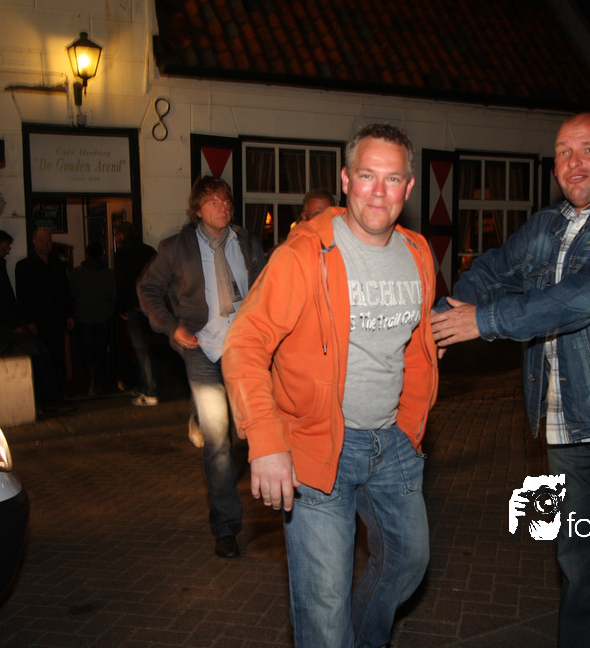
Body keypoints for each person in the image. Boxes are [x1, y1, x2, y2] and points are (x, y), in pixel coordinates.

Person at [431, 113, 590, 648]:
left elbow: (588, 294)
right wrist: (441, 320)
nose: (574, 162)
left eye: (588, 149)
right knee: (576, 552)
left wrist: (485, 321)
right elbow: (493, 270)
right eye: (563, 152)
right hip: (563, 414)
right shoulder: (545, 226)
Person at [222, 123, 439, 648]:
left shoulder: (418, 253)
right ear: (346, 179)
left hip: (392, 443)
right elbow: (245, 343)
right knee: (323, 606)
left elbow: (413, 345)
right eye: (367, 175)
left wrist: (411, 424)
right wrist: (266, 440)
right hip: (318, 448)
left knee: (409, 561)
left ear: (409, 187)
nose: (379, 192)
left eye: (392, 179)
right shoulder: (305, 254)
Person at [137, 176, 266, 559]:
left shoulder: (247, 243)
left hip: (244, 349)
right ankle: (226, 528)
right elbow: (147, 288)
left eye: (226, 201)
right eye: (213, 202)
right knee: (217, 441)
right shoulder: (177, 247)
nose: (222, 208)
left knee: (253, 430)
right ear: (197, 209)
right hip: (203, 349)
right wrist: (171, 325)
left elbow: (266, 288)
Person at [0, 229, 73, 413]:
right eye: (6, 246)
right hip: (9, 323)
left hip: (4, 323)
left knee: (6, 359)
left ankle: (20, 403)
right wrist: (16, 322)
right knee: (40, 353)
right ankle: (49, 400)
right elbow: (3, 298)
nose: (8, 249)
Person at [15, 227, 74, 392]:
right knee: (41, 358)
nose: (46, 244)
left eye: (49, 240)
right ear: (34, 241)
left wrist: (69, 314)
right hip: (38, 321)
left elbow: (65, 291)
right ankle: (44, 393)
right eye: (42, 240)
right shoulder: (25, 266)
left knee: (57, 356)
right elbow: (23, 296)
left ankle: (57, 391)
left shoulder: (57, 265)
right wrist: (29, 320)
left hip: (56, 319)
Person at [113, 221, 159, 406]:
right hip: (151, 306)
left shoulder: (121, 254)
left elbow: (122, 283)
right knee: (148, 348)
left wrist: (121, 307)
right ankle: (143, 386)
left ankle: (150, 391)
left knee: (140, 350)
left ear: (119, 235)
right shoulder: (149, 251)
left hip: (134, 306)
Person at [69, 241, 116, 395]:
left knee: (87, 351)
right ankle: (98, 381)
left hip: (83, 317)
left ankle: (92, 378)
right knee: (100, 351)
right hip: (102, 317)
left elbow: (68, 292)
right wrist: (110, 309)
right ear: (102, 254)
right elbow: (113, 294)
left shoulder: (78, 272)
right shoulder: (108, 273)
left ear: (88, 254)